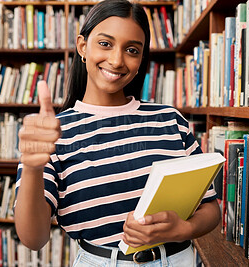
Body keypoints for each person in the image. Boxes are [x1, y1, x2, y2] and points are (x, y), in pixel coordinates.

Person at [14, 0, 221, 266]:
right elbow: (34, 238)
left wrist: (184, 229)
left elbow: (210, 208)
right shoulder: (53, 133)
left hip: (180, 259)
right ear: (82, 47)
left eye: (132, 50)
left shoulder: (170, 120)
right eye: (105, 44)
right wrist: (31, 167)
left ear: (141, 58)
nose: (116, 60)